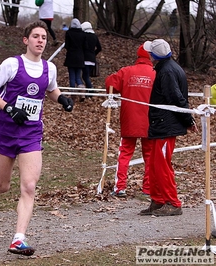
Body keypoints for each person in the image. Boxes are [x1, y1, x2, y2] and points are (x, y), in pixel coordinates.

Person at [0, 20, 74, 256]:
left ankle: (18, 239)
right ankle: (7, 191)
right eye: (36, 36)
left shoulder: (49, 68)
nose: (41, 40)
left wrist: (62, 98)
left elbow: (51, 89)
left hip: (31, 134)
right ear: (26, 40)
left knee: (29, 186)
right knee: (2, 187)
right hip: (6, 131)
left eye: (43, 37)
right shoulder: (12, 64)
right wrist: (10, 108)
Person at [139, 39, 198, 216]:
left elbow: (176, 98)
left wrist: (188, 120)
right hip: (162, 124)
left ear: (155, 56)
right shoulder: (168, 68)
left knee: (162, 166)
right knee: (156, 165)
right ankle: (158, 200)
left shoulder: (167, 72)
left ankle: (173, 202)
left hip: (166, 125)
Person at [105, 44, 156, 197]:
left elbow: (110, 84)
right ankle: (148, 188)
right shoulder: (155, 73)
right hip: (149, 120)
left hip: (129, 120)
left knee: (125, 153)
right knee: (149, 155)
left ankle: (120, 187)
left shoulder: (126, 71)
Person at [63, 18, 86, 101]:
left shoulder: (69, 33)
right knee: (78, 77)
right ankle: (81, 91)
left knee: (72, 76)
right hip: (80, 57)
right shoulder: (83, 34)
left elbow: (67, 45)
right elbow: (85, 46)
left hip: (71, 57)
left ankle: (73, 94)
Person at [81, 21, 102, 97]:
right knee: (86, 76)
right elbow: (99, 48)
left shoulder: (84, 36)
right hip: (92, 60)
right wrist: (94, 54)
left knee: (85, 76)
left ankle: (91, 91)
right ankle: (88, 91)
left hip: (84, 59)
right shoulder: (94, 36)